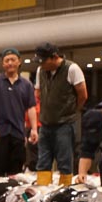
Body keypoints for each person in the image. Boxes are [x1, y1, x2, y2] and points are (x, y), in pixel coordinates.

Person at [34, 42, 87, 186]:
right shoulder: (41, 71)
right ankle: (42, 192)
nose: (42, 65)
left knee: (64, 161)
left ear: (54, 57)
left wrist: (72, 111)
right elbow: (37, 92)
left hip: (64, 124)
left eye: (44, 61)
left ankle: (65, 192)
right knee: (43, 161)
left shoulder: (72, 68)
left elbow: (83, 94)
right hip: (45, 124)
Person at [0, 48, 38, 176]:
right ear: (3, 64)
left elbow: (31, 108)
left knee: (16, 173)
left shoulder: (26, 85)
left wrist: (34, 129)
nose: (10, 63)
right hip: (0, 133)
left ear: (19, 62)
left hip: (18, 133)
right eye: (6, 60)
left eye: (12, 60)